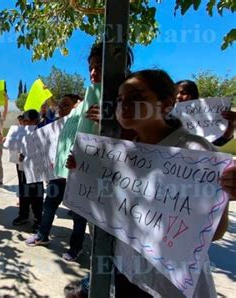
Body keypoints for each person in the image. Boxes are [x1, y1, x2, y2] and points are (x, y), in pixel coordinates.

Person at [67, 69, 234, 297]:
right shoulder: (123, 151)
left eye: (136, 97)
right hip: (126, 272)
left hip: (169, 286)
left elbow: (214, 232)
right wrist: (83, 169)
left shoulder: (196, 151)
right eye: (119, 100)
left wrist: (224, 193)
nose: (124, 105)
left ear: (165, 104)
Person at [25, 95, 86, 263]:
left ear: (77, 107)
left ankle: (76, 247)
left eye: (66, 105)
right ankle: (42, 235)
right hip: (57, 175)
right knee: (50, 205)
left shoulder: (86, 123)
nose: (61, 109)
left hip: (77, 176)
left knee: (79, 214)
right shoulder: (55, 126)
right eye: (60, 105)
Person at [176, 79, 235, 146]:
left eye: (184, 93)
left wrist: (231, 124)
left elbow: (220, 142)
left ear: (193, 95)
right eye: (175, 93)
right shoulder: (166, 116)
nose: (178, 96)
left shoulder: (207, 116)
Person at [12, 109, 44, 230]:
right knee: (23, 191)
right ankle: (23, 215)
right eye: (24, 121)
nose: (25, 123)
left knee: (36, 195)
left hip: (36, 170)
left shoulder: (42, 133)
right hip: (21, 168)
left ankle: (38, 219)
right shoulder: (19, 133)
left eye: (28, 121)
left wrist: (28, 154)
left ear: (35, 121)